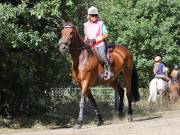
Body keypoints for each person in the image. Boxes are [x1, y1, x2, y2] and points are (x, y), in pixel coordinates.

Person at [83, 6, 113, 80]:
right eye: (93, 15)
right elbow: (86, 35)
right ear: (89, 16)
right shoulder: (86, 25)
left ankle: (108, 71)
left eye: (96, 15)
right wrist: (85, 40)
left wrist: (96, 40)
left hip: (99, 44)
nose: (94, 17)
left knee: (102, 56)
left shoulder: (101, 23)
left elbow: (106, 35)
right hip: (89, 45)